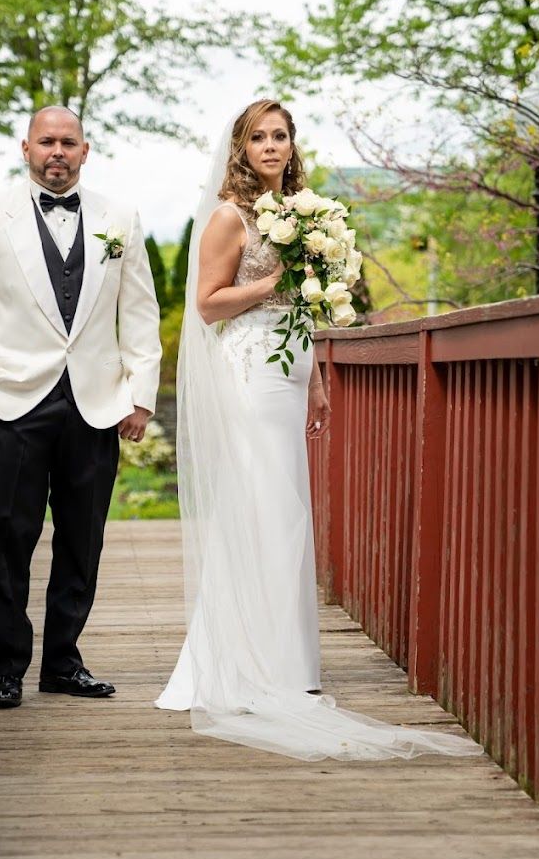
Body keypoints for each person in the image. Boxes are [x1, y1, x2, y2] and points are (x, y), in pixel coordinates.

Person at [155, 99, 482, 761]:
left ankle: (290, 663)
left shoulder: (304, 211)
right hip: (247, 370)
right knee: (260, 507)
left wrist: (316, 377)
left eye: (280, 136)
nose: (270, 147)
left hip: (288, 368)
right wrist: (275, 279)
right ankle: (248, 661)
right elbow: (208, 303)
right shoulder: (229, 217)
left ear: (291, 144)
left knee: (288, 511)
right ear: (241, 147)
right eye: (258, 137)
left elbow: (305, 311)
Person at [0, 106, 161, 709]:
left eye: (68, 142)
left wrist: (139, 395)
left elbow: (140, 314)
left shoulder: (121, 218)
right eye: (47, 142)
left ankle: (63, 661)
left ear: (86, 151)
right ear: (26, 148)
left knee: (82, 536)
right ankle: (8, 665)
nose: (57, 151)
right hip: (14, 398)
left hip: (95, 404)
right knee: (10, 534)